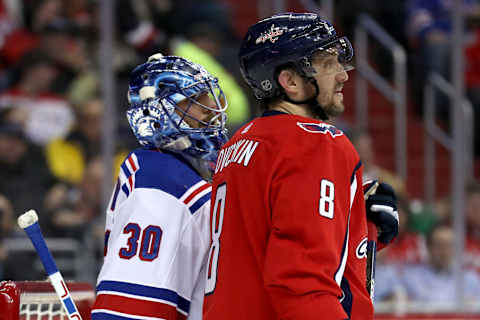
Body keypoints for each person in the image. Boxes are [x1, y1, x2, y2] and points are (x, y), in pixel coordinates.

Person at [203, 13, 399, 320]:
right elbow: (302, 281)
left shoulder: (238, 144)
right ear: (291, 81)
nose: (343, 75)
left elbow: (263, 246)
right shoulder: (316, 142)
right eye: (327, 64)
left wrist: (359, 224)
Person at [91, 54, 228, 320]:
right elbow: (132, 309)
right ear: (157, 114)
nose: (211, 108)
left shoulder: (184, 174)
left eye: (207, 97)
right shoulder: (161, 179)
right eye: (194, 101)